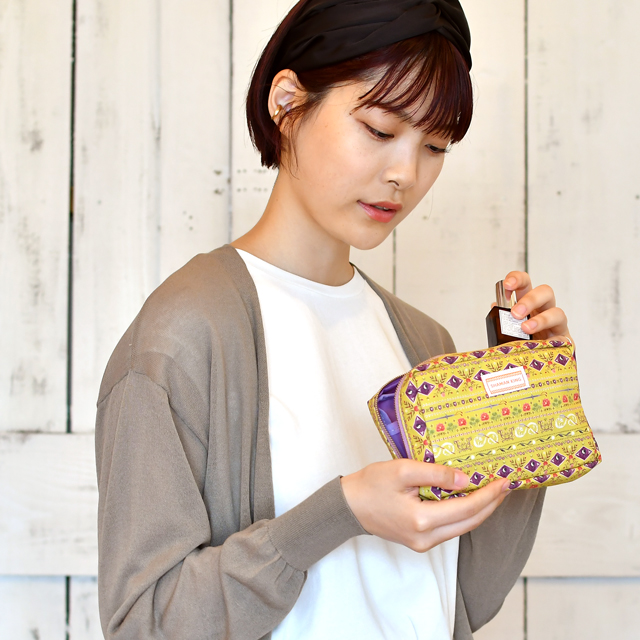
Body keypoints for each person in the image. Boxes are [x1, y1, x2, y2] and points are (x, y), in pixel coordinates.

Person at [95, 1, 569, 638]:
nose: (405, 174)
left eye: (434, 146)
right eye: (378, 130)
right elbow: (143, 622)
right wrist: (341, 511)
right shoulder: (184, 336)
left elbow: (463, 597)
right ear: (288, 102)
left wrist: (531, 406)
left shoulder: (423, 341)